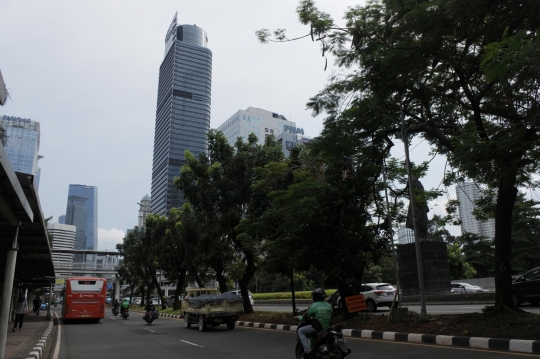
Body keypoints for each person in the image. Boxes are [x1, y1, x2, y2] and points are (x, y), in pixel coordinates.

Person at [296, 288, 333, 359]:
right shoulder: (329, 305)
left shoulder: (313, 306)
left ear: (315, 297)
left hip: (317, 328)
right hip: (327, 327)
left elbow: (305, 317)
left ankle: (307, 351)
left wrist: (299, 318)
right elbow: (331, 316)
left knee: (300, 331)